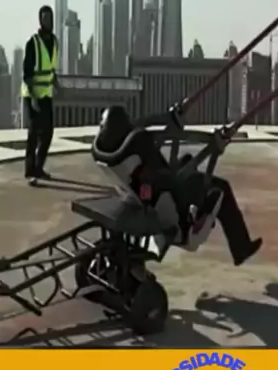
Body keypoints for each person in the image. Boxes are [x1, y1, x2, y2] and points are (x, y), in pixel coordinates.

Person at [95, 106, 263, 267]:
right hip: (167, 193)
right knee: (221, 187)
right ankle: (241, 248)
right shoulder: (138, 141)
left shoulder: (110, 150)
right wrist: (214, 143)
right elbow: (163, 144)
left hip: (147, 194)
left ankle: (234, 241)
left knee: (186, 160)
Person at [21, 5, 59, 185]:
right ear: (40, 21)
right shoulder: (33, 43)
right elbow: (27, 74)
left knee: (48, 132)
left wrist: (57, 85)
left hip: (46, 95)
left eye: (49, 18)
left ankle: (39, 167)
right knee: (34, 133)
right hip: (32, 95)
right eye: (44, 19)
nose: (47, 22)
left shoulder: (55, 42)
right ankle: (30, 171)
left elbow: (51, 69)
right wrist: (33, 98)